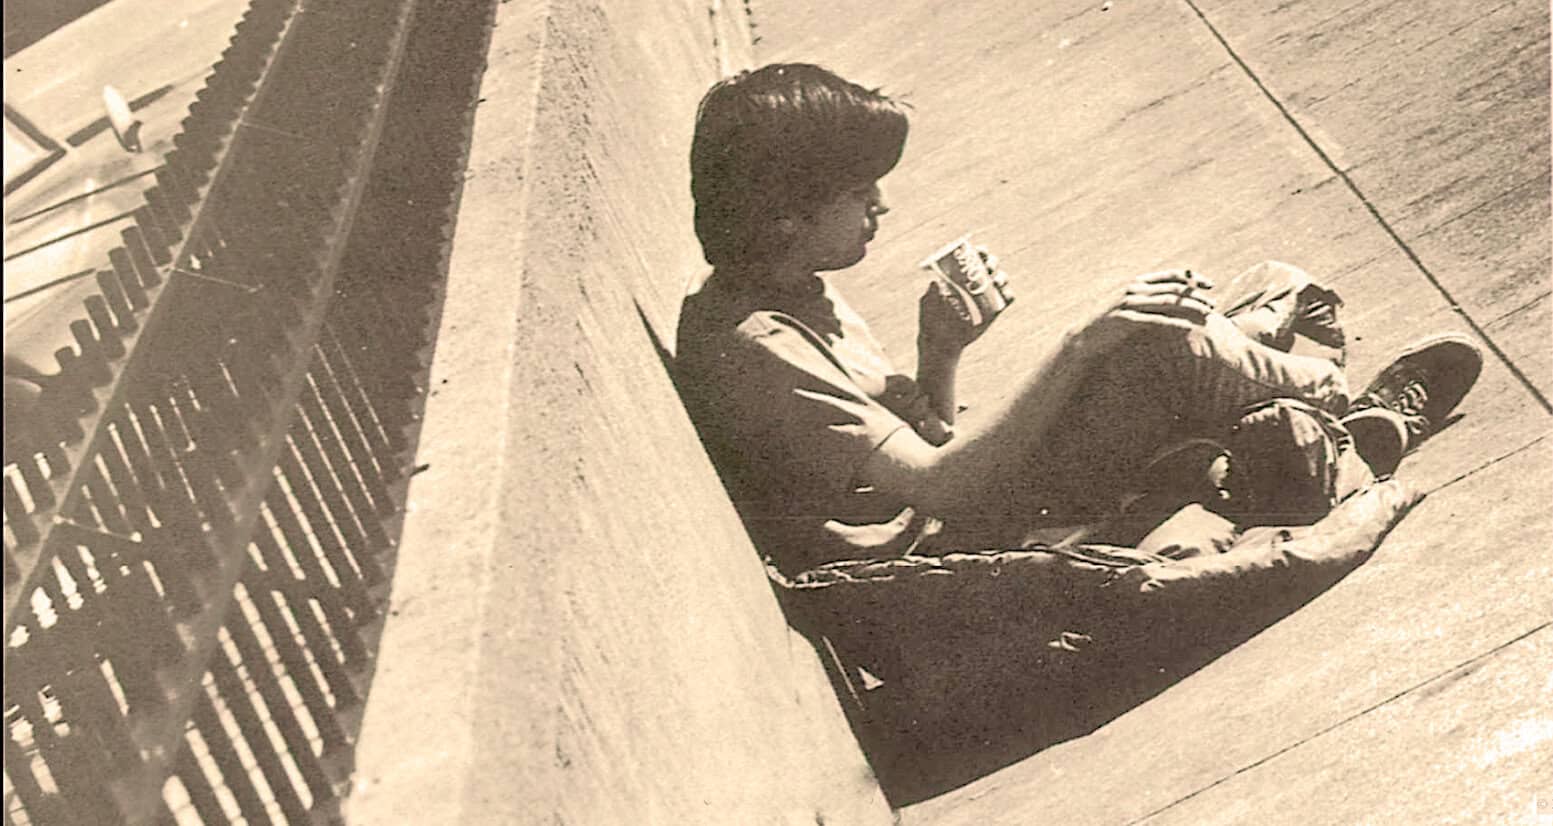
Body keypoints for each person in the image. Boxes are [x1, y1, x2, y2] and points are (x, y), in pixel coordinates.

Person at [674, 63, 1481, 581]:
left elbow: (930, 450)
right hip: (962, 553)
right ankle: (1350, 412)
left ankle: (1297, 418)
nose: (880, 206)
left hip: (967, 508)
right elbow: (943, 490)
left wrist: (940, 353)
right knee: (1168, 345)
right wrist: (1077, 348)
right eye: (858, 192)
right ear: (784, 215)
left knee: (1218, 301)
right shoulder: (760, 347)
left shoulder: (792, 287)